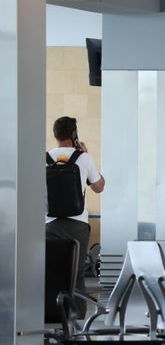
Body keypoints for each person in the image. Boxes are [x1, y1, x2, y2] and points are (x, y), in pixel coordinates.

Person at [45, 116, 105, 299]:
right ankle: (76, 315)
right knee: (76, 273)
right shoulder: (84, 158)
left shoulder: (45, 158)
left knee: (52, 270)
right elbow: (99, 187)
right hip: (77, 224)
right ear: (74, 134)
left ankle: (52, 311)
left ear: (55, 134)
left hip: (50, 222)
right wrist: (85, 154)